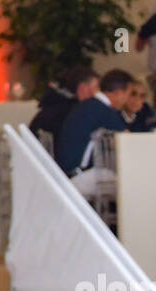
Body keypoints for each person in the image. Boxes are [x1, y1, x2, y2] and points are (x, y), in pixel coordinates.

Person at [55, 69, 132, 200]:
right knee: (133, 185)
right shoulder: (105, 111)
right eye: (129, 94)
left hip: (66, 174)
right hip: (80, 177)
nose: (127, 100)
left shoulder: (86, 105)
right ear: (119, 93)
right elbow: (129, 142)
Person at [30, 67, 98, 146]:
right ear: (84, 89)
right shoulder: (78, 115)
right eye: (96, 88)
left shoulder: (47, 108)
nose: (96, 94)